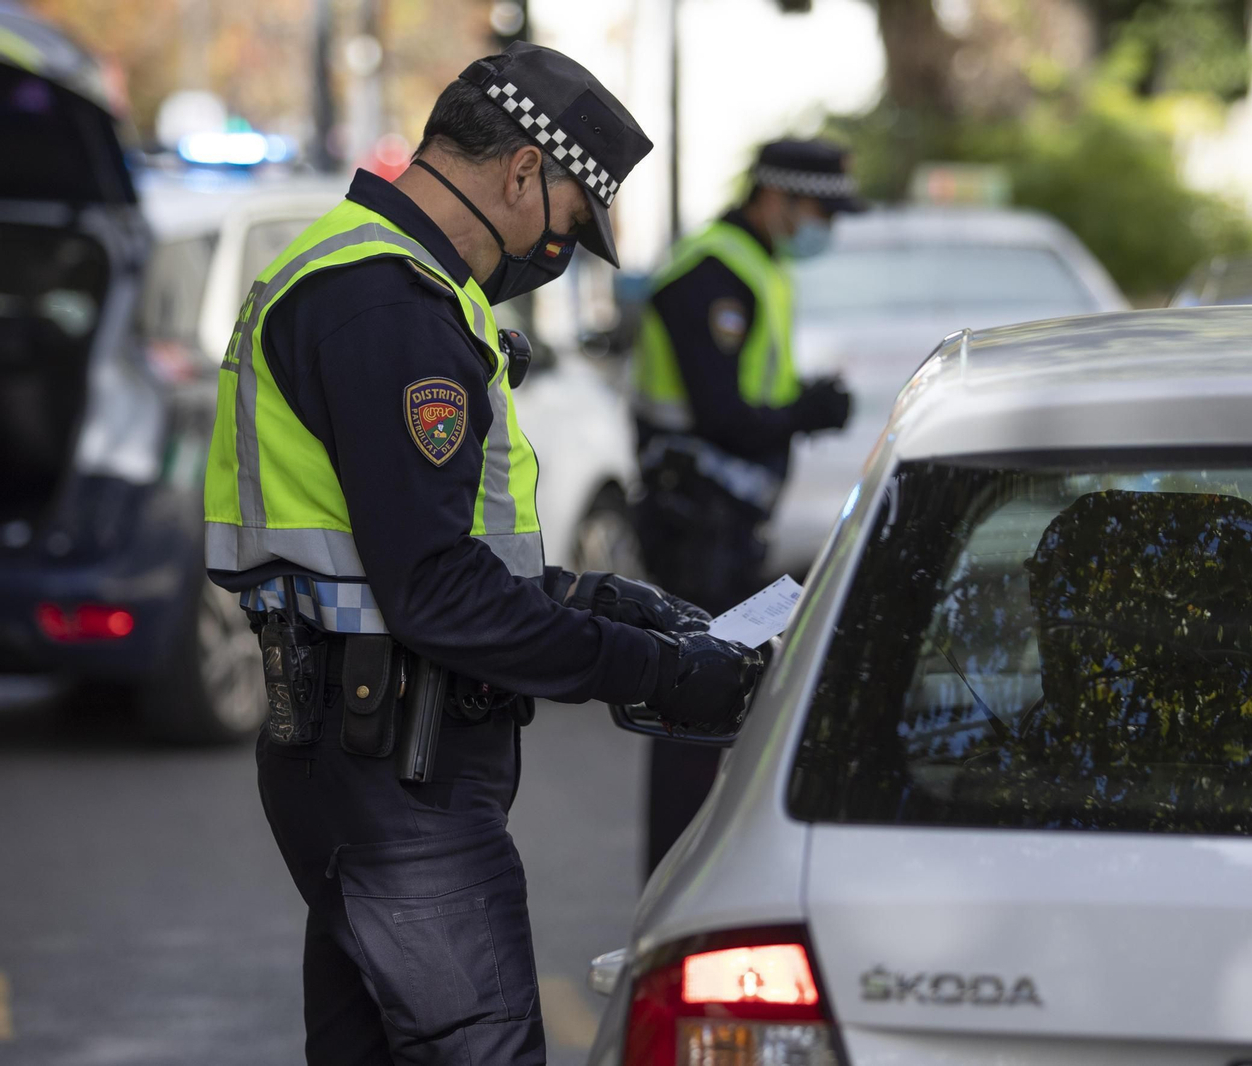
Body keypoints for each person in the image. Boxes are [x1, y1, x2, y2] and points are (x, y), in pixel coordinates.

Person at [202, 44, 761, 1066]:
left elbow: (404, 559)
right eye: (569, 223)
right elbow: (434, 593)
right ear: (520, 173)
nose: (558, 252)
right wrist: (659, 670)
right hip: (395, 783)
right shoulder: (388, 304)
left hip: (363, 757)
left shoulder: (374, 275)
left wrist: (599, 599)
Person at [630, 138, 863, 874]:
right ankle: (670, 887)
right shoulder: (712, 275)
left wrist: (799, 408)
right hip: (695, 522)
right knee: (695, 701)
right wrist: (809, 411)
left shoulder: (755, 265)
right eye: (820, 209)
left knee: (722, 703)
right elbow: (723, 412)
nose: (825, 225)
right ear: (778, 197)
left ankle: (698, 877)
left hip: (722, 521)